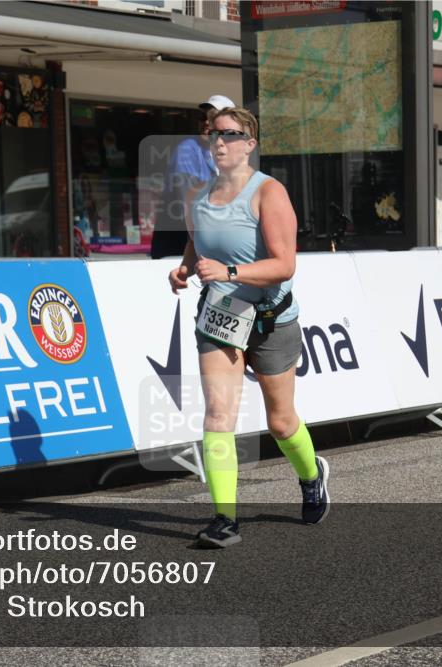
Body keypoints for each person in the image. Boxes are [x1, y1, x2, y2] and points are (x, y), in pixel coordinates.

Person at [167, 107, 329, 548]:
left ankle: (312, 475)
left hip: (271, 319)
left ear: (250, 144)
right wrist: (183, 269)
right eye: (213, 136)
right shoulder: (197, 195)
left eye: (230, 135)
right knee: (219, 414)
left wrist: (230, 272)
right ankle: (224, 519)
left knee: (280, 422)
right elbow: (197, 239)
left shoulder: (269, 193)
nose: (219, 143)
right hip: (219, 315)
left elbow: (284, 264)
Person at [150, 94, 235, 259]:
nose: (205, 122)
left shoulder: (226, 156)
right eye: (202, 117)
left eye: (212, 117)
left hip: (205, 248)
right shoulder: (187, 150)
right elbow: (191, 207)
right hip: (178, 249)